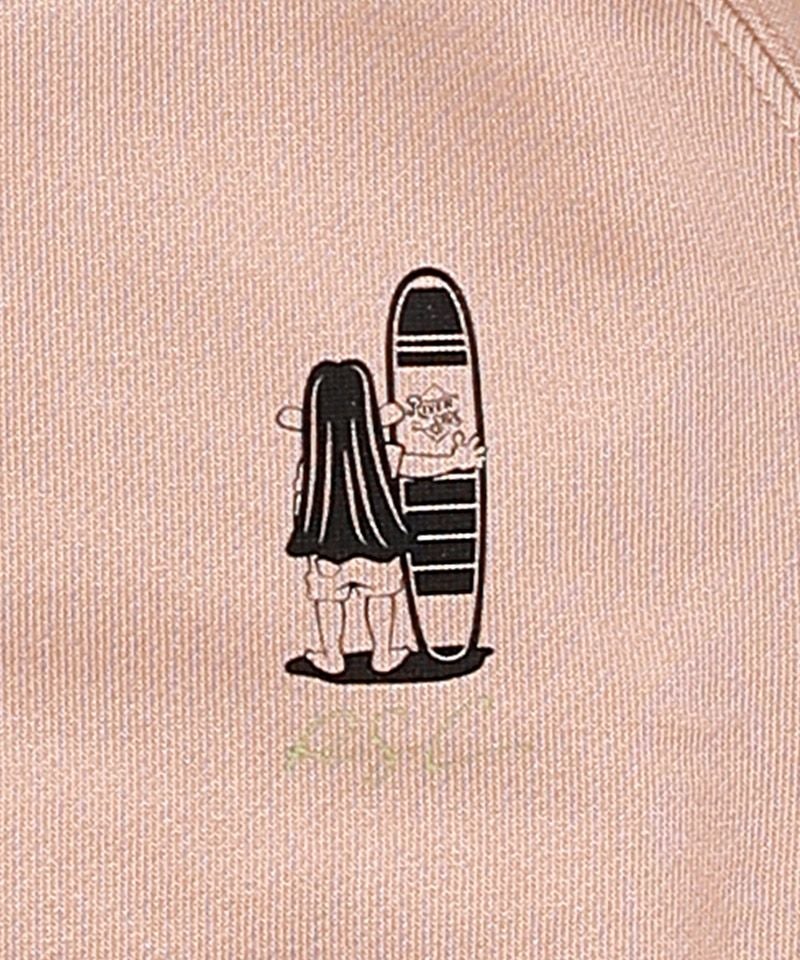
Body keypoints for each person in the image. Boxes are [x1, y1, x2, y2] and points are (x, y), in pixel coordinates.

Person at [276, 358, 485, 675]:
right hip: (377, 542)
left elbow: (299, 501)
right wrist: (456, 460)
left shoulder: (315, 463)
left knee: (328, 599)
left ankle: (332, 656)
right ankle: (383, 654)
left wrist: (306, 535)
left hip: (326, 548)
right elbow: (417, 466)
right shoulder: (380, 454)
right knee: (381, 595)